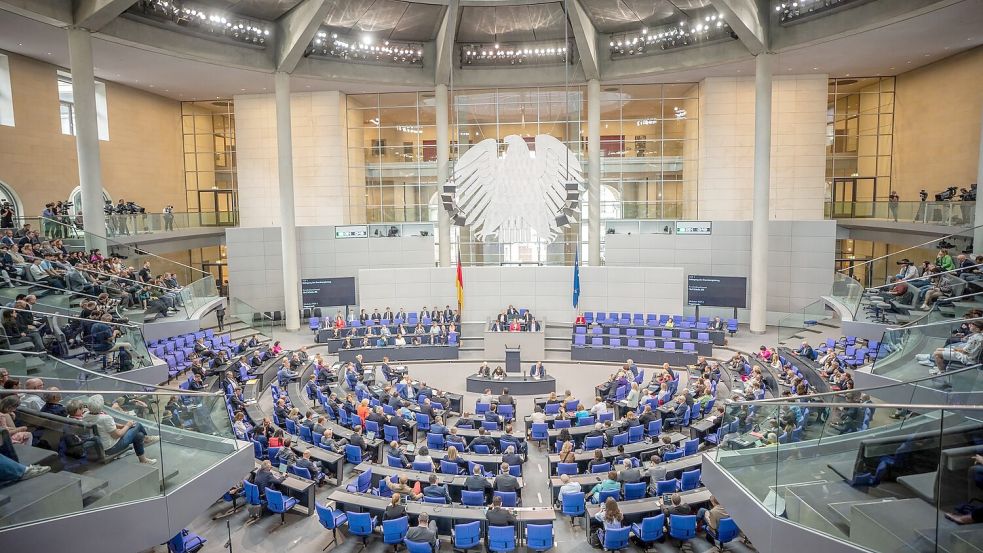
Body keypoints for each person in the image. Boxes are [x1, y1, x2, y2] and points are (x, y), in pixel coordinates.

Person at [82, 394, 158, 464]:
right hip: (111, 448)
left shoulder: (86, 415)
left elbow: (107, 426)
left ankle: (143, 459)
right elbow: (117, 435)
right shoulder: (105, 418)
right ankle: (147, 438)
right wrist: (128, 425)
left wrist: (123, 426)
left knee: (139, 435)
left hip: (98, 446)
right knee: (137, 425)